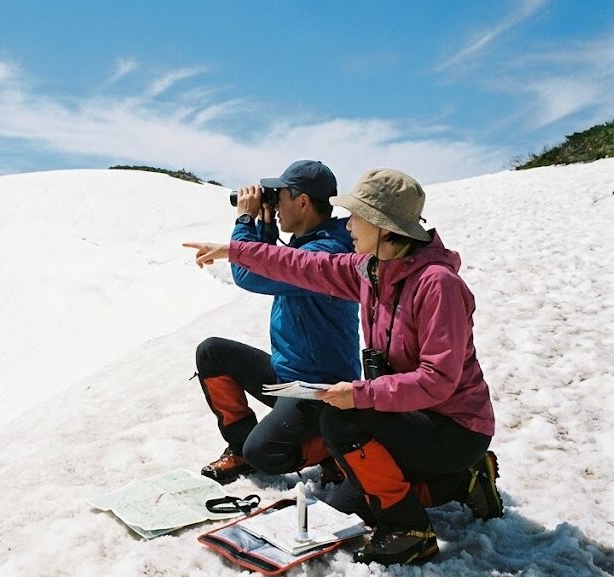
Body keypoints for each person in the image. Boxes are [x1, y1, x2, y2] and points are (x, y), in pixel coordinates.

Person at [184, 168, 503, 566]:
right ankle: (461, 481)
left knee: (341, 422)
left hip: (453, 427)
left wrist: (359, 394)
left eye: (357, 216)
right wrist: (236, 249)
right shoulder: (371, 271)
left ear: (385, 227)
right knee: (346, 506)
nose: (348, 224)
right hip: (405, 415)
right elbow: (299, 266)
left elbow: (438, 380)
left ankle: (410, 530)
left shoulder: (437, 284)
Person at [193, 160, 360, 485]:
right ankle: (239, 448)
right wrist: (266, 223)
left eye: (279, 197)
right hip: (288, 379)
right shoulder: (305, 243)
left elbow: (252, 273)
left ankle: (331, 447)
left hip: (320, 391)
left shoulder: (325, 253)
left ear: (303, 201)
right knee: (212, 353)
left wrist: (245, 220)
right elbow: (270, 259)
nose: (275, 205)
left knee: (264, 454)